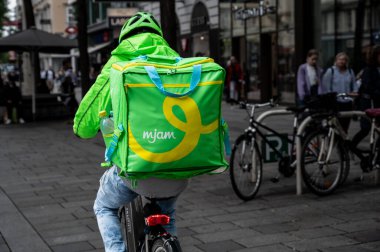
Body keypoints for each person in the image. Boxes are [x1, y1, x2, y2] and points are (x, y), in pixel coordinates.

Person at [73, 12, 187, 251]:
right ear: (159, 37)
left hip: (136, 170)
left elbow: (83, 125)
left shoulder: (116, 67)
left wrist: (83, 130)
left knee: (103, 206)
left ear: (124, 39)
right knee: (168, 218)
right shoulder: (179, 64)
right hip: (179, 166)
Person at [351, 45, 380, 168]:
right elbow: (369, 88)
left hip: (376, 104)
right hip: (368, 104)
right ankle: (352, 147)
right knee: (366, 129)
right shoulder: (369, 70)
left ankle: (375, 157)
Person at [322, 52, 358, 132]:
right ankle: (334, 142)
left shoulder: (350, 71)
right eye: (340, 59)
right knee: (336, 126)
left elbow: (354, 85)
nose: (342, 61)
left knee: (345, 126)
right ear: (336, 60)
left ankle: (342, 143)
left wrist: (354, 94)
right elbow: (326, 87)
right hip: (336, 102)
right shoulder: (331, 71)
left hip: (347, 102)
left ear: (346, 61)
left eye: (344, 59)